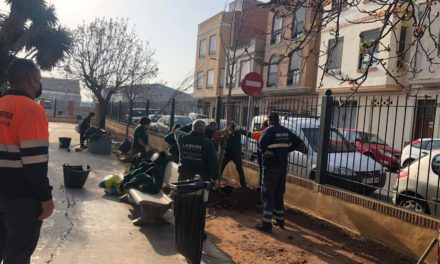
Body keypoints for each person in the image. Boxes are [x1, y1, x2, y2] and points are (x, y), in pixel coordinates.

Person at [0, 59, 54, 263]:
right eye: (39, 80)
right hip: (22, 199)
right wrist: (46, 198)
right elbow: (35, 163)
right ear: (31, 80)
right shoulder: (32, 110)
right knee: (17, 255)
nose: (39, 84)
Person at [257, 112, 298, 232]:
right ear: (278, 120)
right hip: (282, 166)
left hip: (271, 166)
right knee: (279, 193)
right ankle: (280, 220)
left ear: (269, 120)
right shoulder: (285, 130)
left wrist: (265, 152)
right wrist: (286, 150)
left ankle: (266, 223)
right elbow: (298, 142)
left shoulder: (268, 130)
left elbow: (261, 142)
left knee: (267, 193)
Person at [220, 122, 247, 188]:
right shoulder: (225, 133)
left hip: (236, 153)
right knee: (221, 166)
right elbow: (222, 142)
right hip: (228, 152)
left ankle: (243, 184)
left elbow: (243, 131)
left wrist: (235, 127)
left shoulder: (237, 132)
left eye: (229, 127)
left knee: (239, 168)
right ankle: (217, 180)